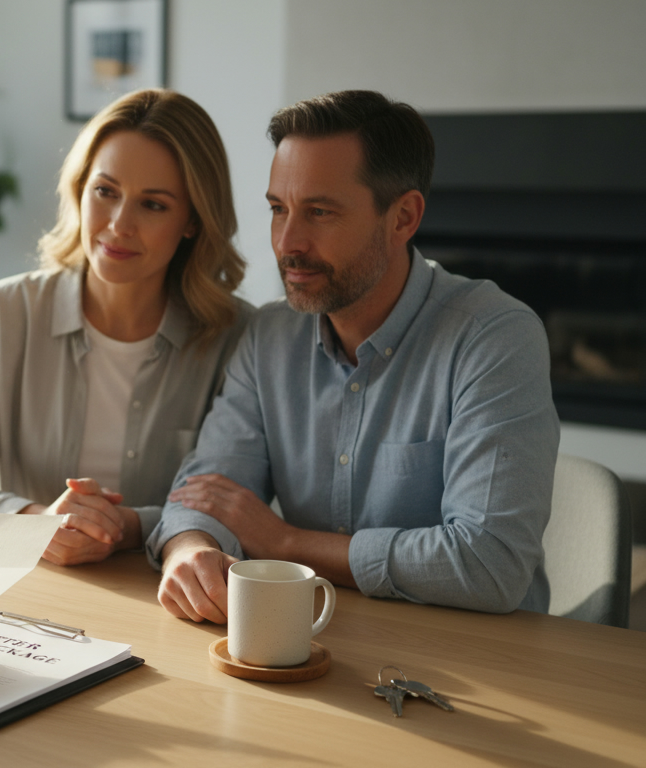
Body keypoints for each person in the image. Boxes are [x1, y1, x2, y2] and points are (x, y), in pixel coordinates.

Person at [150, 90, 560, 621]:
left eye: (320, 212)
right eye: (279, 209)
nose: (287, 242)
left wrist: (289, 543)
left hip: (484, 665)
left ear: (403, 217)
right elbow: (205, 491)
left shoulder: (494, 337)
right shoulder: (270, 335)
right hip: (323, 639)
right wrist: (190, 551)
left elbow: (490, 566)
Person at [0, 89, 251, 567]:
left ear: (193, 220)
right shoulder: (7, 311)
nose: (118, 225)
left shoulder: (238, 338)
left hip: (163, 596)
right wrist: (34, 523)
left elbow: (241, 505)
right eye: (105, 192)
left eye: (152, 205)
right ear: (79, 189)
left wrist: (131, 527)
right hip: (22, 585)